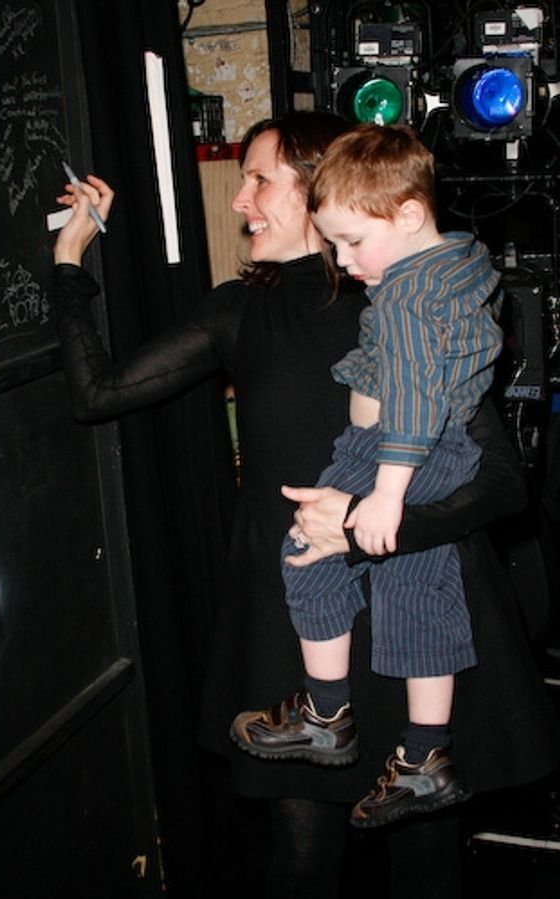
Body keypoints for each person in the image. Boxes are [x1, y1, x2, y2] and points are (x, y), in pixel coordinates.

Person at [51, 111, 560, 899]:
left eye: (259, 179)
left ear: (321, 183)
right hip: (298, 632)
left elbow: (501, 483)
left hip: (415, 611)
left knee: (424, 867)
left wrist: (365, 531)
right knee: (300, 863)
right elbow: (97, 392)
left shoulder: (409, 298)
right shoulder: (239, 307)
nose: (239, 199)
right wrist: (69, 260)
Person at [230, 124, 504, 829]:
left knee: (308, 556)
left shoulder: (408, 296)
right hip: (442, 454)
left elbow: (411, 396)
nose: (346, 260)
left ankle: (326, 712)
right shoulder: (457, 259)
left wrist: (384, 491)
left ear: (409, 215)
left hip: (391, 449)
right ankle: (423, 758)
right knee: (415, 596)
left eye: (353, 241)